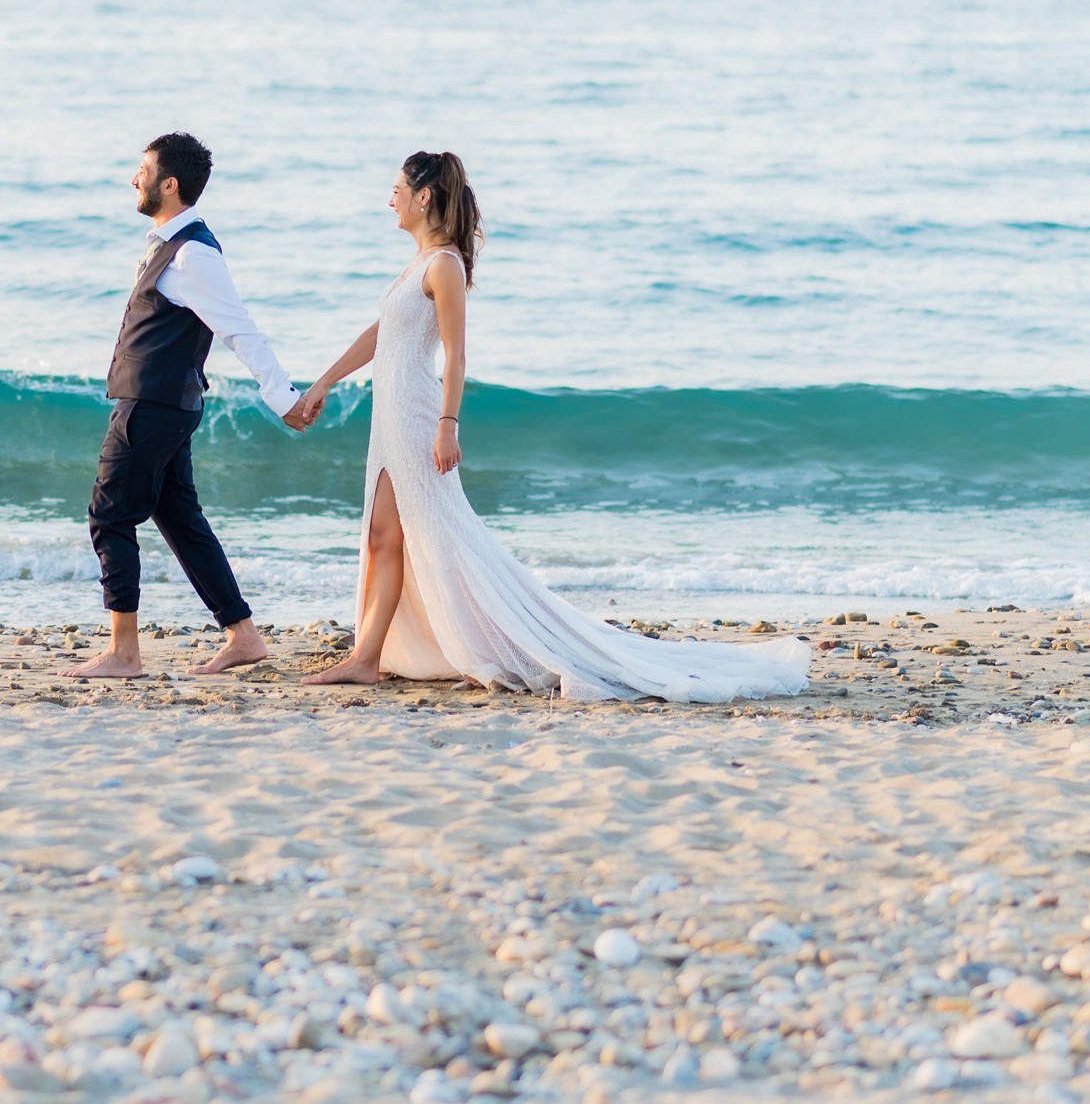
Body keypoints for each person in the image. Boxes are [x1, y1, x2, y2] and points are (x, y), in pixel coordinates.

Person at [287, 151, 810, 701]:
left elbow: (458, 357)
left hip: (417, 415)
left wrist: (448, 425)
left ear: (425, 197)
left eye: (397, 188)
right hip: (387, 419)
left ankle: (431, 647)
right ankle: (367, 658)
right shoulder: (417, 263)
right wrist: (325, 382)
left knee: (435, 537)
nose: (389, 198)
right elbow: (382, 334)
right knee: (383, 536)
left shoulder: (443, 265)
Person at [63, 134, 302, 680]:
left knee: (109, 515)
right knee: (180, 518)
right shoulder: (168, 244)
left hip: (154, 405)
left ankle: (124, 653)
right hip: (164, 401)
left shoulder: (194, 253)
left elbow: (239, 329)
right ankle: (243, 635)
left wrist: (282, 397)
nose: (134, 178)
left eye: (143, 169)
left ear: (169, 184)